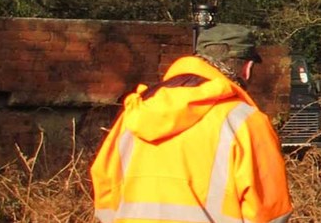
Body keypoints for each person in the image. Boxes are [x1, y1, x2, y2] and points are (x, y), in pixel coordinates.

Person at [90, 24, 292, 223]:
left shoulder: (134, 113)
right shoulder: (246, 122)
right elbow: (269, 213)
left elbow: (104, 186)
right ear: (247, 68)